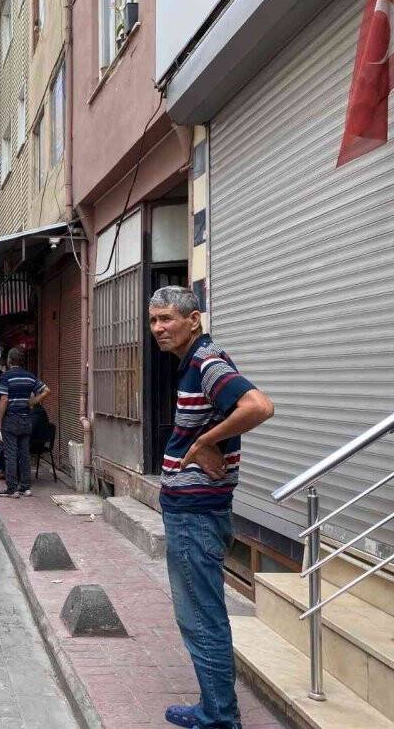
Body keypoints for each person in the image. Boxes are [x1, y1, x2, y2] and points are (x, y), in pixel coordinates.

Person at [149, 286, 273, 729]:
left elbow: (258, 406)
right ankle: (214, 709)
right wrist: (208, 437)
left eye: (167, 319)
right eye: (154, 321)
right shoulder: (195, 363)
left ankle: (220, 716)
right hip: (197, 510)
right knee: (202, 615)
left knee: (201, 618)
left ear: (194, 320)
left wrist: (205, 441)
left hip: (195, 514)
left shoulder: (206, 362)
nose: (159, 329)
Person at [0, 348, 50, 498]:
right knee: (24, 454)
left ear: (9, 361)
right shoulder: (30, 376)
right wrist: (33, 401)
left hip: (11, 419)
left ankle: (12, 488)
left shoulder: (6, 377)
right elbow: (46, 390)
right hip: (27, 419)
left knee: (11, 454)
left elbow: (4, 399)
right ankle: (26, 487)